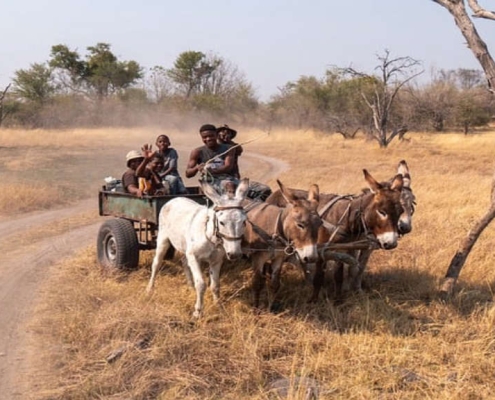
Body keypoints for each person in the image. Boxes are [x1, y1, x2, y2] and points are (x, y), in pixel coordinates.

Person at [217, 123, 272, 201]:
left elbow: (239, 150)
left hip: (234, 179)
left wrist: (229, 142)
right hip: (221, 181)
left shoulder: (233, 146)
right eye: (222, 132)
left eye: (228, 133)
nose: (225, 134)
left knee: (264, 190)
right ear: (217, 134)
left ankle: (254, 207)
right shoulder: (213, 148)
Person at [185, 124, 238, 195]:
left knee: (230, 186)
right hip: (208, 181)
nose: (208, 139)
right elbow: (188, 174)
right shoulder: (197, 151)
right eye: (205, 137)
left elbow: (228, 167)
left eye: (211, 136)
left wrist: (211, 171)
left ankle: (231, 203)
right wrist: (197, 168)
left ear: (216, 135)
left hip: (226, 179)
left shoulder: (229, 148)